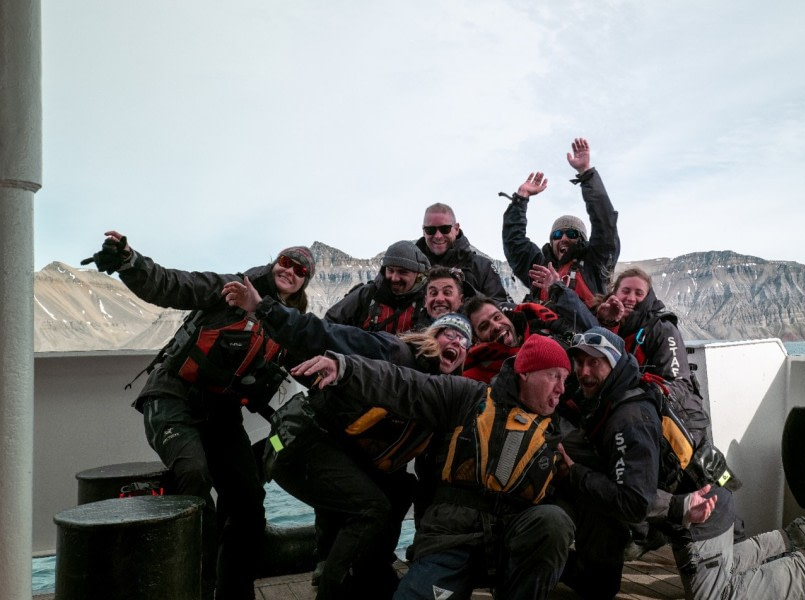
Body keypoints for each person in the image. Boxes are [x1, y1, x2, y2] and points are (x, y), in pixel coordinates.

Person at [82, 231, 315, 600]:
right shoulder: (229, 288)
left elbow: (289, 383)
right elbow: (173, 285)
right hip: (172, 398)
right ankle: (193, 588)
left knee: (248, 501)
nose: (290, 271)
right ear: (274, 263)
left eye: (300, 269)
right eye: (285, 261)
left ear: (304, 281)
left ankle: (234, 594)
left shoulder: (289, 326)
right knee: (193, 475)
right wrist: (130, 262)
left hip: (220, 411)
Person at [223, 275, 472, 599]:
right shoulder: (395, 351)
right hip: (300, 443)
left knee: (400, 488)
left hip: (338, 450)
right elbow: (331, 335)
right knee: (371, 508)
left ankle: (372, 573)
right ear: (430, 337)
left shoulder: (442, 397)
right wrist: (262, 308)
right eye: (448, 333)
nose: (455, 342)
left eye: (463, 340)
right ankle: (333, 590)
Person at [294, 334, 576, 600]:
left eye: (564, 379)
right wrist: (346, 368)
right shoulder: (468, 396)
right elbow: (404, 384)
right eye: (554, 377)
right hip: (452, 538)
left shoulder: (557, 432)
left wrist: (574, 473)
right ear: (525, 372)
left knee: (554, 521)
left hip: (511, 540)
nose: (561, 388)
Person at [553, 326, 662, 599]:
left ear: (613, 363)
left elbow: (635, 504)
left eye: (594, 362)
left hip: (687, 521)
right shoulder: (607, 396)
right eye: (579, 363)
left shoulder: (629, 419)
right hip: (626, 501)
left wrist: (575, 473)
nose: (584, 372)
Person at [655, 484, 805, 600]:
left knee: (713, 597)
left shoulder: (633, 416)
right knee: (725, 569)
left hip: (696, 514)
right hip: (713, 495)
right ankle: (791, 538)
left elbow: (634, 498)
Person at [593, 267, 710, 442]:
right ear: (614, 293)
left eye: (639, 293)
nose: (631, 298)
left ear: (648, 297)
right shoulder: (603, 322)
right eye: (625, 291)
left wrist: (642, 398)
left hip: (678, 420)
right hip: (626, 416)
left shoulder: (662, 328)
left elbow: (679, 384)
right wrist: (607, 323)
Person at [502, 137, 620, 307]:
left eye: (571, 234)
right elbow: (514, 242)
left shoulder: (596, 264)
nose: (563, 238)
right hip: (541, 330)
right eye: (557, 234)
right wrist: (521, 198)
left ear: (582, 239)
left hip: (585, 331)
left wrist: (586, 174)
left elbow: (605, 223)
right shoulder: (540, 266)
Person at [461, 281, 597, 383]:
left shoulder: (542, 331)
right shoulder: (476, 377)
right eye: (484, 326)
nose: (496, 326)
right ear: (476, 339)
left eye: (497, 317)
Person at [325, 240, 430, 334]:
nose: (394, 278)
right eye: (390, 270)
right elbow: (329, 324)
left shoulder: (428, 300)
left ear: (418, 274)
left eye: (402, 272)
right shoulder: (366, 295)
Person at [417, 202, 512, 303]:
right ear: (423, 231)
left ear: (456, 229)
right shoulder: (411, 268)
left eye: (445, 229)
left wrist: (470, 297)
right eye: (430, 230)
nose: (438, 236)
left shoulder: (482, 267)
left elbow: (499, 307)